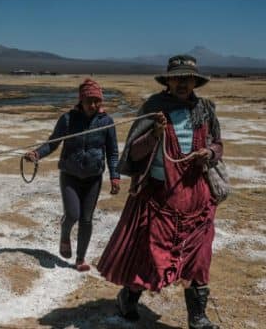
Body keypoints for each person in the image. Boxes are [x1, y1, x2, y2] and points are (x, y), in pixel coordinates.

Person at [96, 55, 222, 329]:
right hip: (158, 199)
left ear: (194, 82)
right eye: (176, 78)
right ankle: (128, 298)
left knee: (199, 259)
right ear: (168, 81)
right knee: (150, 257)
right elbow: (134, 151)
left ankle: (197, 318)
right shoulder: (154, 108)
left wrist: (209, 153)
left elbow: (218, 145)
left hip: (198, 199)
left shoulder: (206, 109)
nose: (181, 83)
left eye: (187, 79)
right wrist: (154, 134)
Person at [24, 78, 120, 272]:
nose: (93, 105)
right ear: (81, 101)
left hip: (93, 177)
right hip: (70, 175)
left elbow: (112, 151)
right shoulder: (68, 119)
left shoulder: (106, 122)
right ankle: (65, 231)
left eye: (96, 101)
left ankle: (80, 258)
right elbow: (53, 143)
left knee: (86, 218)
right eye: (88, 101)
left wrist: (115, 175)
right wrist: (37, 154)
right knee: (73, 214)